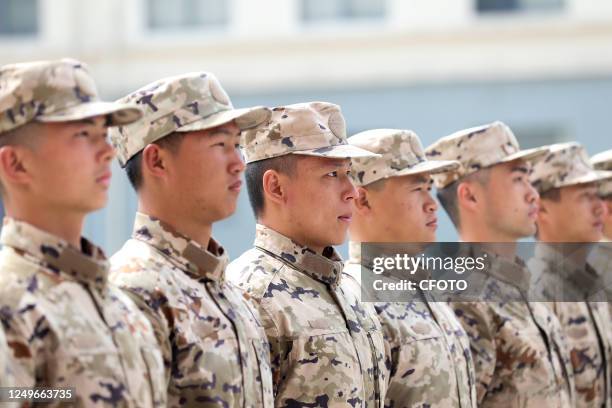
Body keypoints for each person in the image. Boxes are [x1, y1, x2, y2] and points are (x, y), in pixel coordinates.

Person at [0, 58, 166, 407]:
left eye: (104, 134)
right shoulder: (10, 302)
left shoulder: (120, 304)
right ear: (15, 164)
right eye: (82, 134)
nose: (107, 151)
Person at [108, 72, 275, 407]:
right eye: (220, 145)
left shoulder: (231, 293)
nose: (239, 164)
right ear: (157, 161)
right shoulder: (133, 292)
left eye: (238, 146)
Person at [226, 101, 387, 407]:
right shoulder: (249, 296)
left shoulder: (351, 290)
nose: (351, 190)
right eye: (331, 175)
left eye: (348, 172)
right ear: (275, 187)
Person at [424, 121, 574, 407]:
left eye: (529, 179)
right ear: (470, 195)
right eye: (518, 180)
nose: (533, 194)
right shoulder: (461, 300)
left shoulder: (522, 284)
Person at [343, 128, 477, 407]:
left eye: (430, 188)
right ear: (362, 200)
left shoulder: (427, 290)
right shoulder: (354, 300)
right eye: (417, 189)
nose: (432, 205)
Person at [529, 142, 612, 408]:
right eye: (585, 196)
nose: (600, 208)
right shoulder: (537, 290)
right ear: (541, 208)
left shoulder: (592, 284)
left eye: (598, 195)